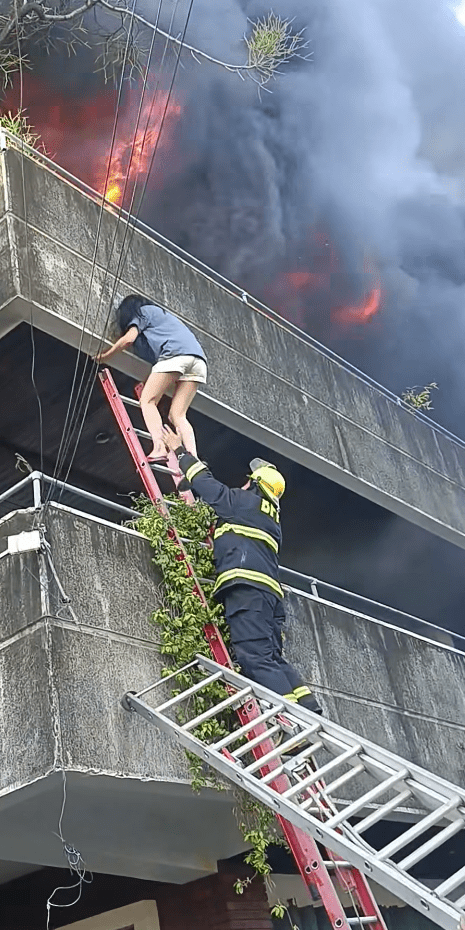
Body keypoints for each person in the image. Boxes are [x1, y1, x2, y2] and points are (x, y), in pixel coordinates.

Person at [162, 426, 322, 713]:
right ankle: (307, 704)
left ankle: (292, 724)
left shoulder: (244, 503)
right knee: (272, 657)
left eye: (249, 482)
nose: (244, 485)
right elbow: (218, 506)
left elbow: (212, 489)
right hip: (269, 597)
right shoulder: (270, 519)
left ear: (257, 486)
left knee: (255, 659)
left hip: (247, 592)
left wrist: (181, 453)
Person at [94, 294, 206, 461]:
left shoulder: (143, 312)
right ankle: (194, 460)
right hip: (199, 361)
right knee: (177, 415)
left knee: (148, 400)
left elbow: (128, 339)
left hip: (175, 356)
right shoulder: (164, 318)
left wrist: (106, 355)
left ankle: (160, 447)